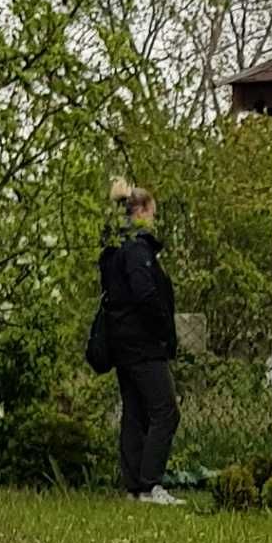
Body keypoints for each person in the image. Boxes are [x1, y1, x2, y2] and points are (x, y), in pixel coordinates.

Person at [95, 185, 182, 501]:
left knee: (135, 411)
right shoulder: (137, 251)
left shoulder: (114, 248)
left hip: (122, 343)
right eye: (152, 213)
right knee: (165, 411)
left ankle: (134, 485)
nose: (154, 221)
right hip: (143, 344)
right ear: (141, 212)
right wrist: (162, 329)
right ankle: (151, 483)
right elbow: (145, 295)